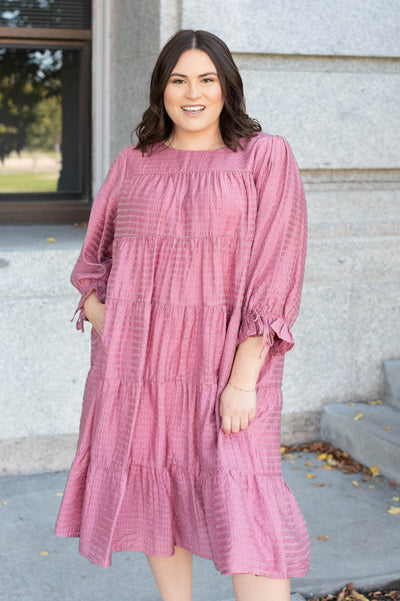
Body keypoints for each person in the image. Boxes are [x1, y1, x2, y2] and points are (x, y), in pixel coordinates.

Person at [54, 29, 310, 601]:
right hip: (141, 375)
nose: (191, 93)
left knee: (247, 503)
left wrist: (243, 381)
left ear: (226, 88)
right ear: (161, 90)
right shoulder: (133, 164)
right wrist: (114, 325)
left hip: (228, 370)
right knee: (159, 494)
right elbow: (93, 265)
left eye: (206, 79)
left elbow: (275, 275)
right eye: (178, 80)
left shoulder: (264, 157)